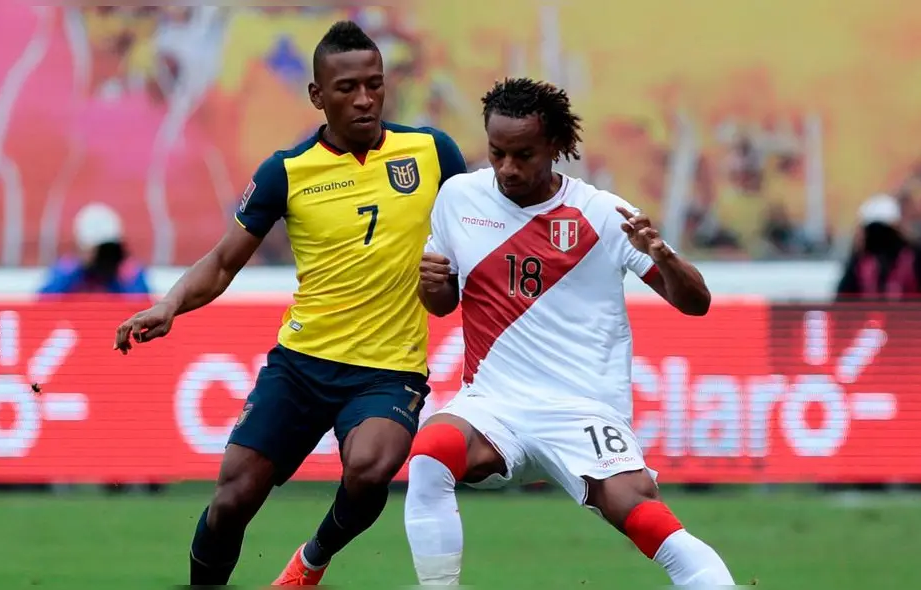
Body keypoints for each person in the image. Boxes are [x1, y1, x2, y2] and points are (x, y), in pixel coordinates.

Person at [113, 20, 467, 586]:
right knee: (232, 498)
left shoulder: (432, 153)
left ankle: (311, 561)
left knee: (372, 468)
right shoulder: (287, 171)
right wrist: (170, 304)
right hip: (301, 366)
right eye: (347, 87)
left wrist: (445, 289)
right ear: (317, 95)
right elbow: (224, 261)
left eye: (374, 84)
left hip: (387, 370)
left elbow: (469, 247)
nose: (365, 98)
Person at [404, 78, 735, 586]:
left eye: (524, 154)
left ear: (556, 147)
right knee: (429, 455)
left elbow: (697, 303)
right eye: (497, 153)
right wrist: (432, 286)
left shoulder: (604, 214)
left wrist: (663, 256)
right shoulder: (458, 197)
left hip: (583, 408)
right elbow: (443, 303)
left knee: (646, 519)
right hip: (494, 404)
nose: (508, 168)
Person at [38, 202, 150, 297]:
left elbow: (142, 308)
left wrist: (117, 274)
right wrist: (80, 268)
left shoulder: (128, 272)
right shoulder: (68, 269)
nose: (102, 255)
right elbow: (45, 301)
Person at [836, 193, 921, 300]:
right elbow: (843, 301)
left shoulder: (914, 258)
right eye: (873, 230)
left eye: (884, 229)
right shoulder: (860, 263)